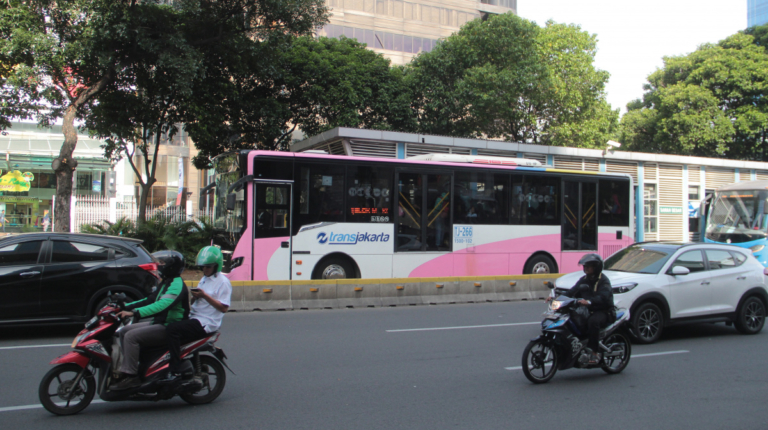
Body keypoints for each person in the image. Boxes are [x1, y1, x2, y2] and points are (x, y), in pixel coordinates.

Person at [109, 250, 189, 390]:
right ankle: (132, 366)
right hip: (160, 322)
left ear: (171, 266)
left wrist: (135, 313)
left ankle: (131, 377)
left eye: (162, 263)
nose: (159, 265)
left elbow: (162, 305)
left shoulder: (176, 284)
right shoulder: (167, 282)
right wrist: (125, 306)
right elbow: (150, 299)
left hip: (169, 325)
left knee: (131, 336)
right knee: (123, 331)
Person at [165, 246, 231, 376]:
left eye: (208, 267)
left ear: (216, 266)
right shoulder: (204, 279)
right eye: (203, 267)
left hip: (206, 322)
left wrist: (204, 296)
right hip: (194, 317)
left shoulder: (223, 282)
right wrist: (195, 297)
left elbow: (224, 308)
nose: (205, 270)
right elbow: (195, 302)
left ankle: (176, 366)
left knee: (172, 330)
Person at [547, 253, 613, 365]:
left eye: (588, 266)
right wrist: (556, 298)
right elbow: (571, 292)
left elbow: (603, 296)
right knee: (572, 320)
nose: (585, 268)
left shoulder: (603, 281)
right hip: (587, 310)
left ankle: (594, 352)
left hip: (603, 310)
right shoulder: (584, 279)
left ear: (596, 267)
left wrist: (589, 301)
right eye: (585, 266)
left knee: (593, 322)